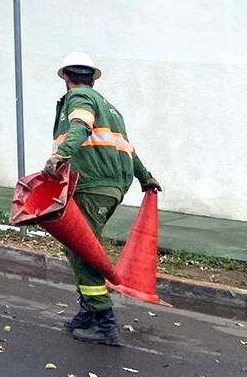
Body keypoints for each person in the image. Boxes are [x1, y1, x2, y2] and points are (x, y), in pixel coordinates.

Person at [44, 51, 161, 347]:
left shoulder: (79, 98)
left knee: (84, 252)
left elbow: (79, 127)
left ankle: (103, 320)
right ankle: (88, 312)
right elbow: (127, 149)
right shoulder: (111, 109)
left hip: (91, 184)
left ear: (67, 78)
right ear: (92, 78)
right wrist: (145, 177)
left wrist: (59, 156)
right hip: (110, 186)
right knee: (78, 248)